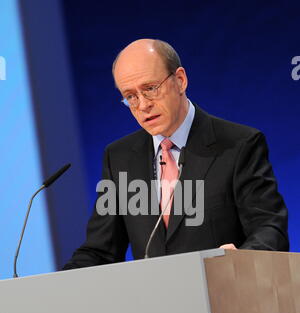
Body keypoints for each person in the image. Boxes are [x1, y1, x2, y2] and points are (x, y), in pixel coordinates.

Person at [63, 39, 289, 270]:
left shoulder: (239, 144)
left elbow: (269, 228)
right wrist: (51, 289)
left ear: (180, 80)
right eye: (130, 96)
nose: (142, 105)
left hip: (225, 296)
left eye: (150, 89)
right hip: (155, 302)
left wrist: (241, 259)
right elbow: (100, 250)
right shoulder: (119, 157)